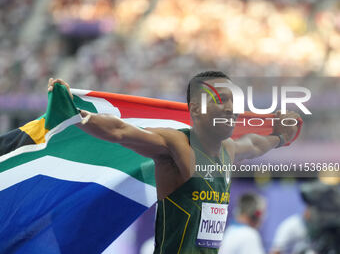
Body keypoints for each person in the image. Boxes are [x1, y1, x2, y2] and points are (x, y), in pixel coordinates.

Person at [48, 71, 300, 254]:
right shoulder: (177, 144)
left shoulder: (229, 149)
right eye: (221, 100)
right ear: (195, 108)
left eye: (233, 100)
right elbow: (121, 131)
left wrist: (280, 137)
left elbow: (255, 144)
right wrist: (76, 114)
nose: (231, 109)